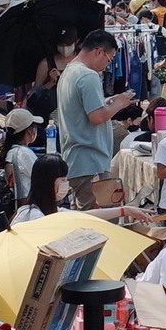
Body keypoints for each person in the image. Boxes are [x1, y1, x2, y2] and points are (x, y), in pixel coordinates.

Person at [55, 29, 135, 207]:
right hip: (90, 161)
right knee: (97, 222)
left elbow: (81, 108)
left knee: (85, 216)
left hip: (77, 159)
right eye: (109, 59)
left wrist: (106, 101)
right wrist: (120, 103)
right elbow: (97, 116)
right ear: (99, 51)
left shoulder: (69, 71)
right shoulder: (88, 75)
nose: (108, 64)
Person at [12, 153, 70, 225]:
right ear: (47, 182)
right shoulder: (33, 215)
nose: (66, 184)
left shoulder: (56, 210)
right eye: (63, 180)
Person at [1, 107, 42, 203]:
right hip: (30, 204)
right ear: (29, 130)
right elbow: (43, 180)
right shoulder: (24, 154)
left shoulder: (12, 151)